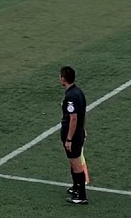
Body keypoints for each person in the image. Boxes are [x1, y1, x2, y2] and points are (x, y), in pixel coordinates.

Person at [59, 65, 89, 205]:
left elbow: (74, 118)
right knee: (73, 162)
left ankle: (81, 195)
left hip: (73, 135)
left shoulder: (71, 95)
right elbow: (83, 113)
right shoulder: (78, 92)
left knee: (76, 164)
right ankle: (76, 187)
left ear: (63, 79)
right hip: (78, 132)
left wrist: (69, 138)